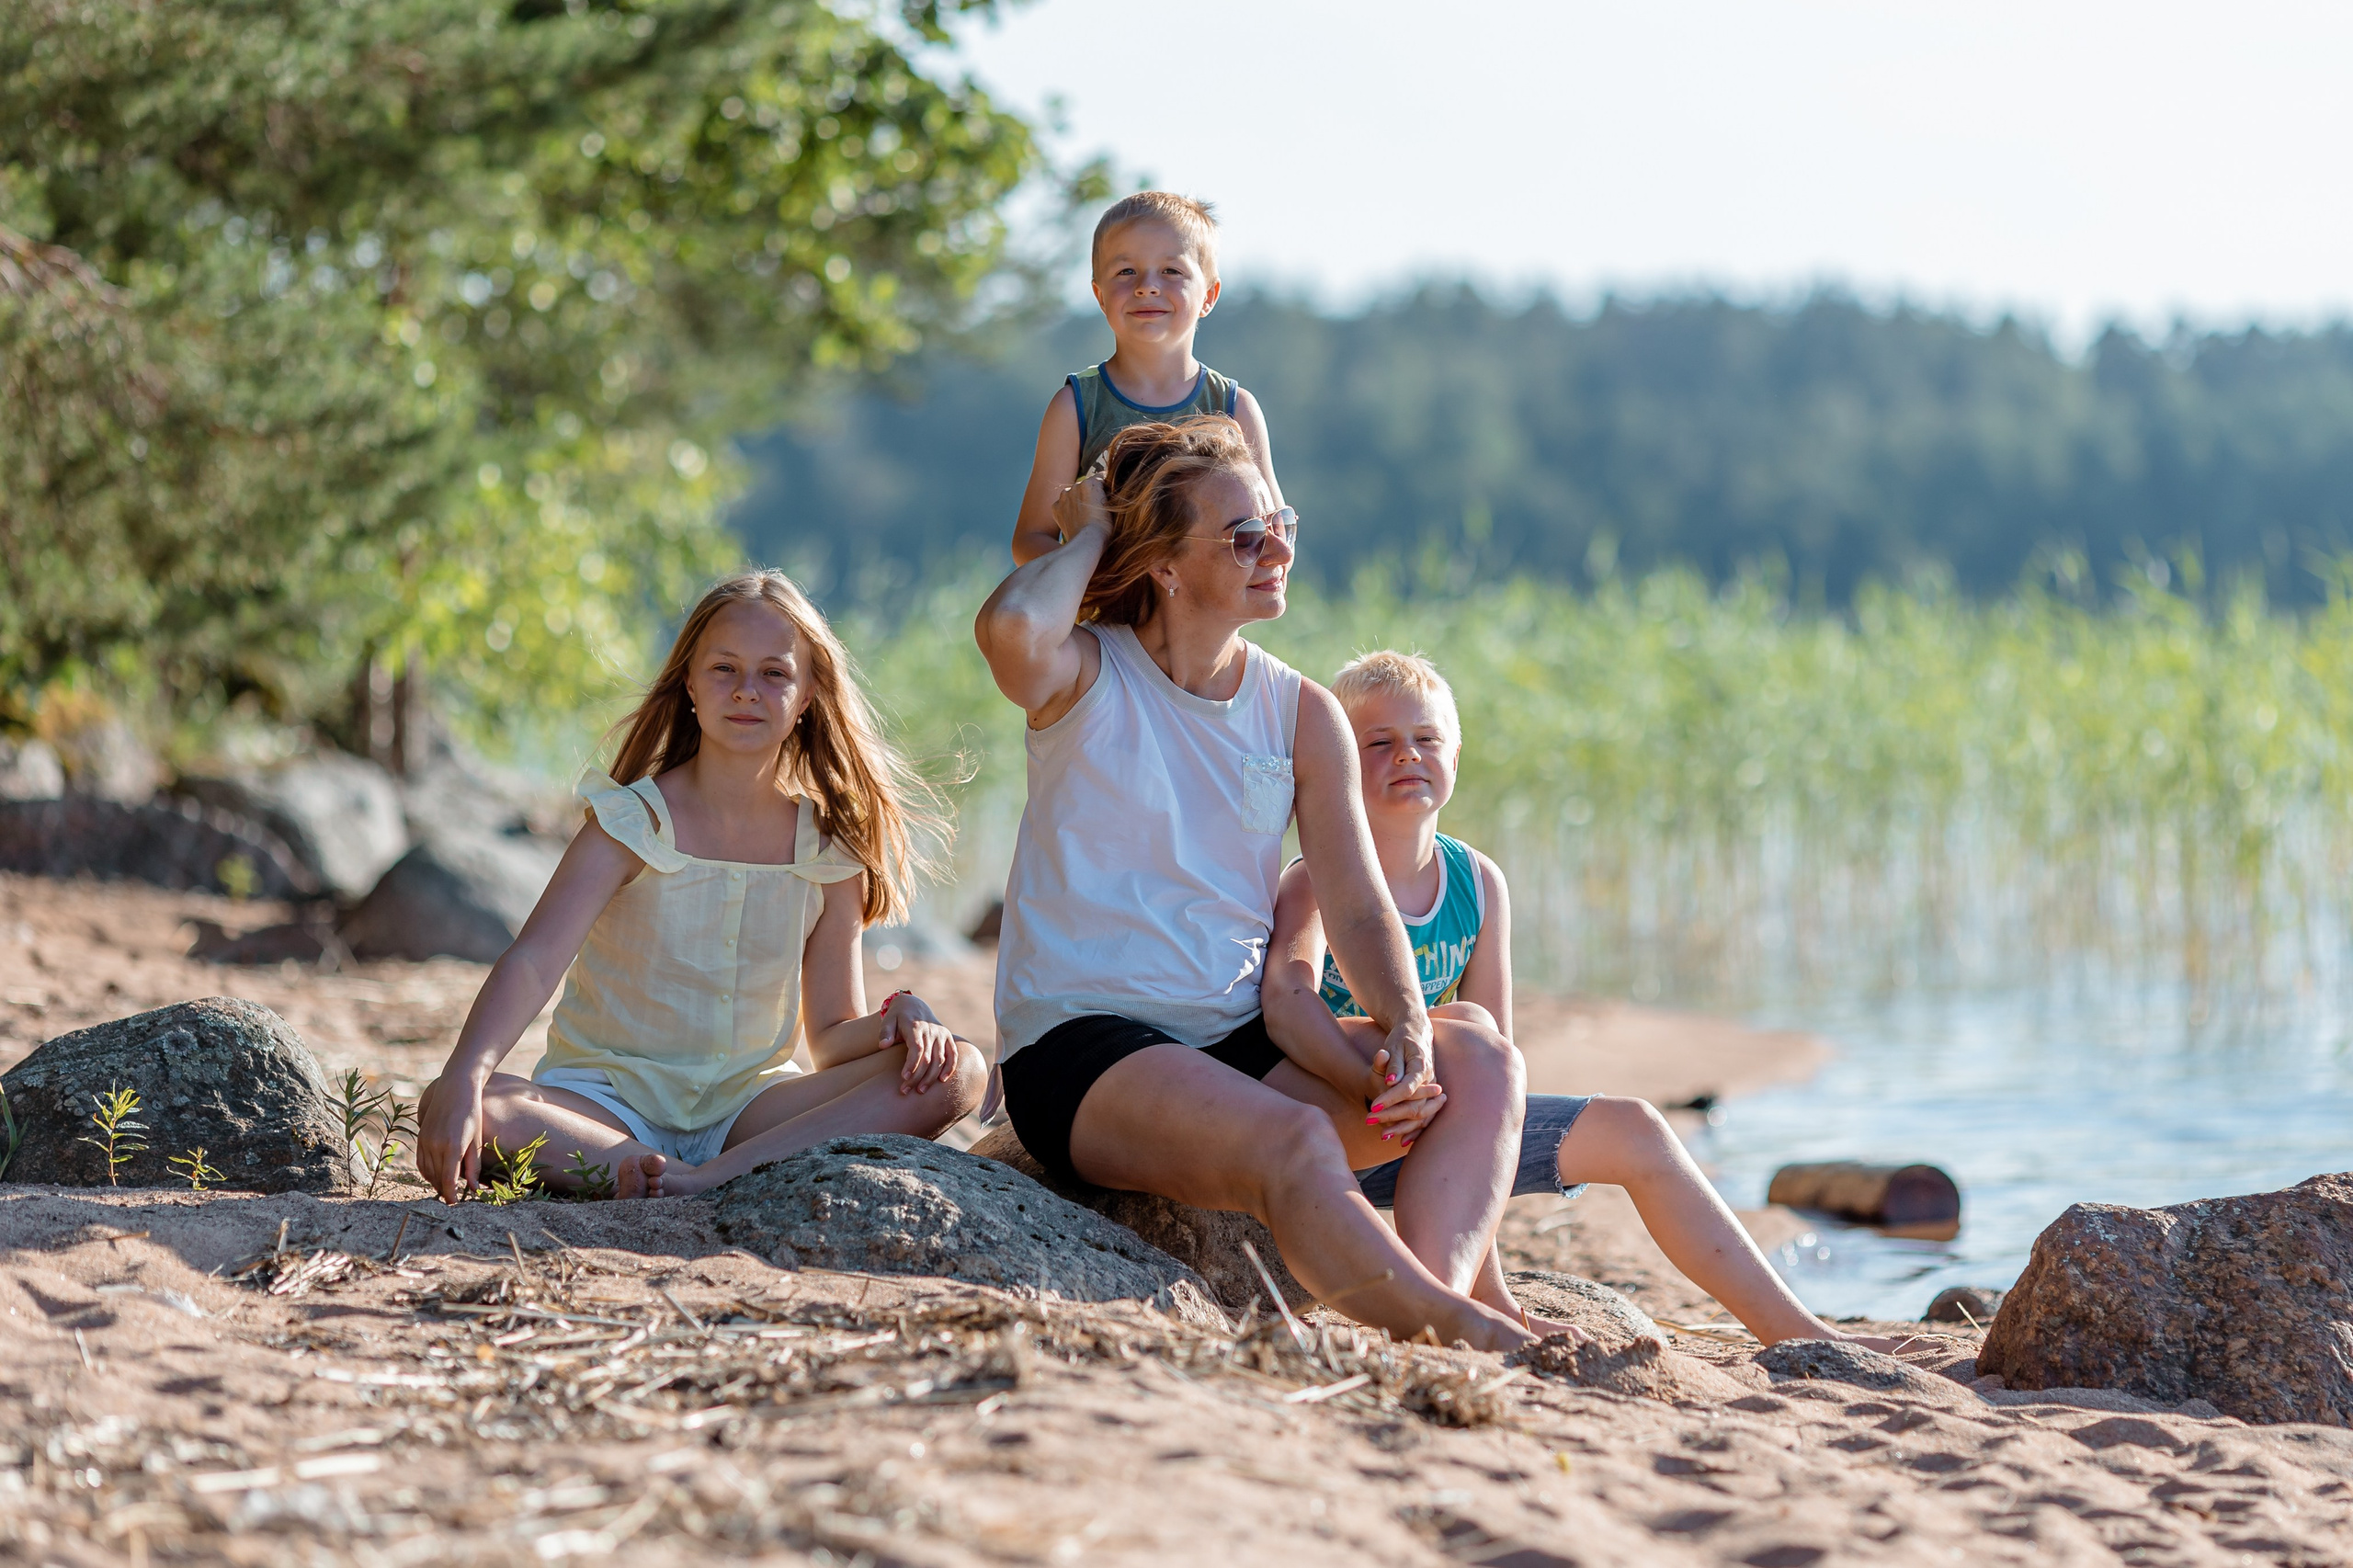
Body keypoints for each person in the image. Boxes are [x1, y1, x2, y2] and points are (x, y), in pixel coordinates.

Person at [977, 415, 1542, 1352]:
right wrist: (1086, 533)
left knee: (1479, 1055)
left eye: (1280, 522)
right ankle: (1457, 1328)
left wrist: (1404, 1021)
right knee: (1296, 1141)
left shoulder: (1299, 710)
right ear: (1162, 562)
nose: (1274, 546)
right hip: (1080, 1043)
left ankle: (1431, 1299)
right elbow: (1008, 625)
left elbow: (1356, 901)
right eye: (1243, 535)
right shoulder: (1083, 675)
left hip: (1228, 1036)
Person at [1263, 650, 1906, 1348]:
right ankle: (1435, 1312)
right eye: (1378, 743)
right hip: (1350, 1121)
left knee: (1636, 1128)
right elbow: (1287, 1002)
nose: (1407, 755)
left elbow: (1494, 1095)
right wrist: (1373, 1083)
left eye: (1428, 739)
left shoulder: (1477, 882)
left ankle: (1798, 1333)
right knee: (1465, 1031)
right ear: (1341, 765)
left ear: (1456, 755)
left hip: (1446, 1127)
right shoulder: (1313, 883)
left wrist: (1499, 1292)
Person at [416, 571, 986, 1202]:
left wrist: (900, 1018)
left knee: (957, 1072)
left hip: (749, 1111)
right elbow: (533, 962)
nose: (747, 691)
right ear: (689, 681)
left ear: (808, 696)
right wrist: (466, 1072)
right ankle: (642, 1165)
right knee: (477, 1103)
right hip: (605, 1105)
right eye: (724, 669)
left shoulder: (830, 850)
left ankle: (699, 1180)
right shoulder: (629, 822)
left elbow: (831, 1034)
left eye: (774, 673)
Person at [1009, 192, 1282, 565]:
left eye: (1171, 271)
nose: (1146, 286)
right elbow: (1030, 539)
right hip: (1104, 619)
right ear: (1099, 295)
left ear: (1209, 295)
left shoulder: (1234, 408)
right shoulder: (1076, 407)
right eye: (1125, 272)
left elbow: (1273, 536)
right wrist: (1094, 581)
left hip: (1207, 620)